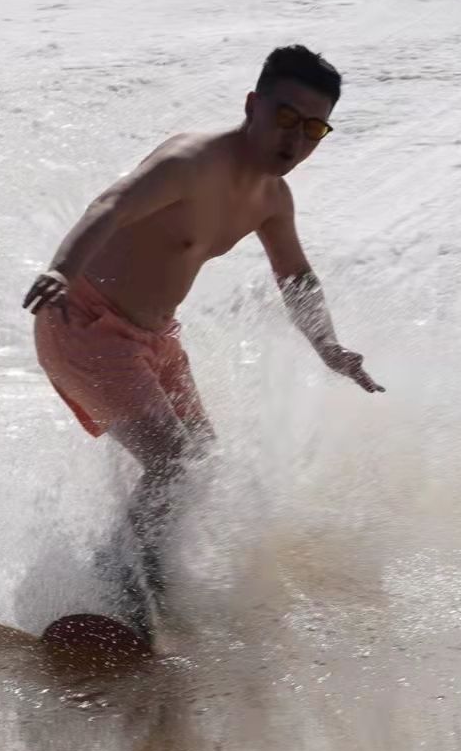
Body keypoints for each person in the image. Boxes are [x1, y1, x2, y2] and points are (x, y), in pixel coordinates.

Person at [23, 46, 381, 638]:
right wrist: (62, 267)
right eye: (285, 118)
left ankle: (150, 576)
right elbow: (111, 205)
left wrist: (329, 347)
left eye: (313, 128)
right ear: (253, 106)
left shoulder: (271, 199)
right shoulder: (189, 161)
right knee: (172, 461)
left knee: (201, 456)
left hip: (154, 338)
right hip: (82, 322)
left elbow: (295, 276)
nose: (295, 140)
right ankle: (118, 584)